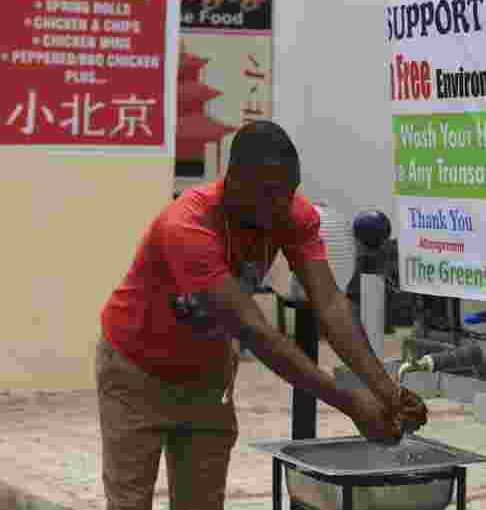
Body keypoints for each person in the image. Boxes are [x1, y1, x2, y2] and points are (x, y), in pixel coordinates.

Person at [96, 120, 427, 510]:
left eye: (288, 192)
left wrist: (386, 391)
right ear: (234, 180)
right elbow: (255, 332)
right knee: (129, 502)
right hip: (136, 373)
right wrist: (352, 405)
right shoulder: (188, 226)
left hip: (207, 376)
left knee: (202, 504)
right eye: (269, 194)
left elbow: (331, 304)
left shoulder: (289, 212)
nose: (280, 206)